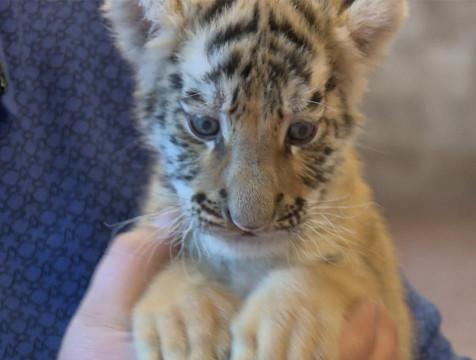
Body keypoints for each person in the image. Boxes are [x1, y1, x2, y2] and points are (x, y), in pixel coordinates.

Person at [0, 1, 470, 359]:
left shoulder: (341, 199)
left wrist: (318, 289)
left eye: (301, 130)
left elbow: (406, 329)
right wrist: (177, 287)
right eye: (204, 125)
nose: (251, 210)